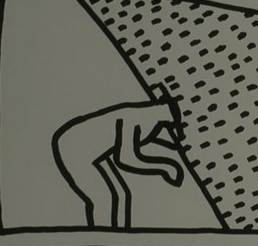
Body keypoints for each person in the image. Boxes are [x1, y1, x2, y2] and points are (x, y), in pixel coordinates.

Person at [52, 93, 188, 229]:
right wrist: (165, 168)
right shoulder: (132, 117)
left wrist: (171, 151)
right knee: (103, 197)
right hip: (75, 150)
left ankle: (118, 234)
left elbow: (142, 142)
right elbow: (125, 159)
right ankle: (102, 236)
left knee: (122, 195)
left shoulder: (149, 122)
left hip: (94, 155)